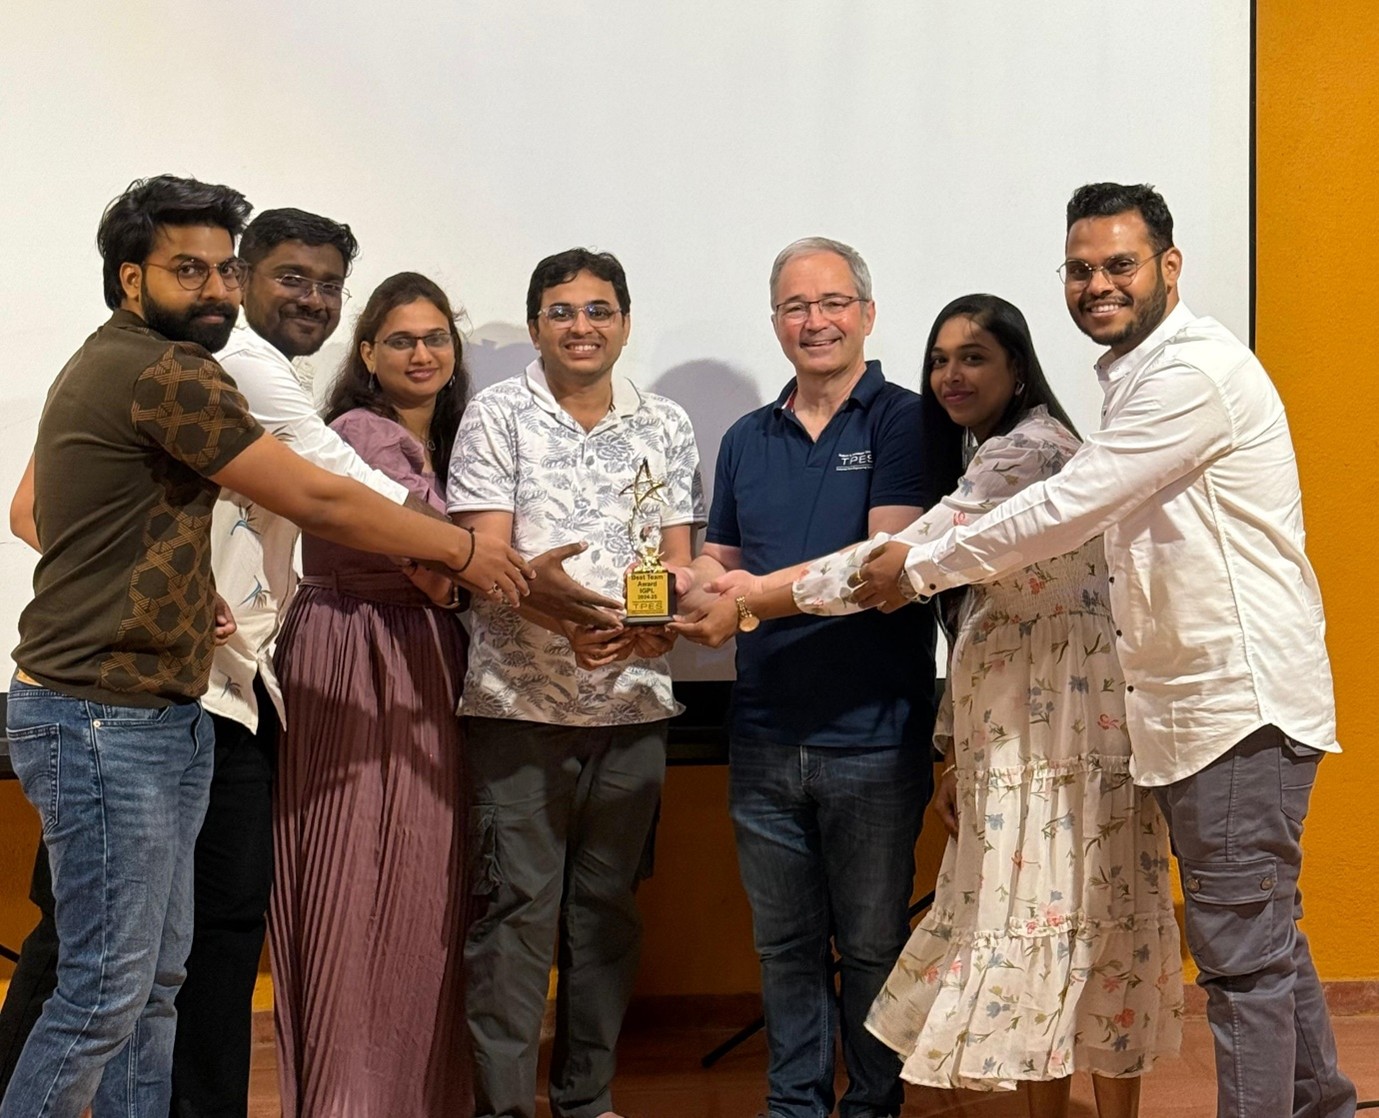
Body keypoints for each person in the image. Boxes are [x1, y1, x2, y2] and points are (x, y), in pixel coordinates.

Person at [2, 174, 531, 1118]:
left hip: (161, 703)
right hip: (103, 712)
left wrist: (172, 576)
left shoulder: (127, 358)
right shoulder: (173, 371)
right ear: (131, 278)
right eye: (190, 270)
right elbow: (322, 494)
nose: (216, 289)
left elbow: (42, 510)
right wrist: (466, 554)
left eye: (223, 269)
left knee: (153, 983)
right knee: (106, 989)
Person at [853, 184, 1357, 1118]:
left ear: (1169, 266)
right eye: (1079, 269)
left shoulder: (1188, 374)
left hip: (1233, 705)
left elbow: (1064, 506)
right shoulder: (1133, 379)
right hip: (1191, 710)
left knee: (1240, 962)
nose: (1097, 285)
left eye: (1119, 264)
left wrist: (916, 569)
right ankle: (1319, 1105)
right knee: (1262, 940)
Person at [683, 294, 1183, 1117]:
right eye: (941, 360)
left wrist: (752, 602)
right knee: (1036, 929)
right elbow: (980, 622)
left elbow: (900, 558)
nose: (952, 375)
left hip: (1069, 730)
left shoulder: (1028, 452)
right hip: (1011, 724)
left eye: (974, 357)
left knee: (1092, 925)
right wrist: (954, 748)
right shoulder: (984, 452)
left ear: (1017, 367)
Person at [672, 237, 938, 1118]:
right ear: (775, 321)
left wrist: (746, 601)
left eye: (831, 303)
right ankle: (793, 1106)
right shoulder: (747, 437)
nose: (814, 321)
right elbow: (720, 557)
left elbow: (878, 564)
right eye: (795, 306)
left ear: (866, 313)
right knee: (783, 946)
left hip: (872, 736)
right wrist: (681, 584)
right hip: (761, 731)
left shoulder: (906, 421)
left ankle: (872, 1105)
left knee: (870, 946)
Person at [448, 248, 703, 1118]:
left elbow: (673, 560)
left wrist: (647, 626)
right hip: (515, 707)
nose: (581, 326)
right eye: (561, 311)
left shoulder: (664, 422)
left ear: (624, 324)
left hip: (633, 707)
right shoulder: (496, 415)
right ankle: (504, 1109)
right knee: (516, 915)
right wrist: (565, 622)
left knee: (605, 916)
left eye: (599, 311)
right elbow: (482, 557)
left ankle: (587, 1102)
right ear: (535, 327)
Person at [268, 272, 481, 1116]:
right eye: (400, 339)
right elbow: (435, 561)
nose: (420, 353)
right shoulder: (359, 431)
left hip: (424, 657)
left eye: (435, 337)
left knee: (422, 884)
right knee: (354, 879)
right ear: (365, 353)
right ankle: (351, 1097)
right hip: (356, 656)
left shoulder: (460, 439)